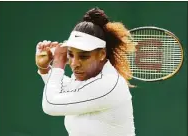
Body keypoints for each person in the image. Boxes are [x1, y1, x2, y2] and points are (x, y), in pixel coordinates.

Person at [35, 7, 136, 136]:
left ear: (101, 54)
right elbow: (65, 90)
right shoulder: (87, 79)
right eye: (70, 55)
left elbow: (51, 104)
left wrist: (58, 63)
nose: (74, 64)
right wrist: (45, 69)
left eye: (83, 56)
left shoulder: (107, 84)